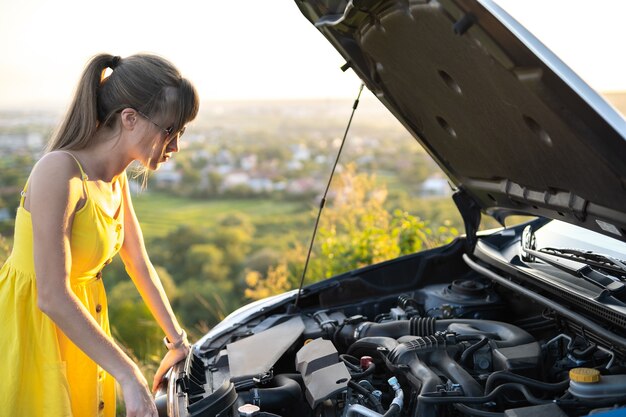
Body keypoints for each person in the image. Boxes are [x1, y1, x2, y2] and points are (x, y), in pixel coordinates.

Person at [0, 53, 199, 417]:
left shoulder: (113, 179)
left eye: (181, 132)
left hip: (81, 331)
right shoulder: (59, 172)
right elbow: (51, 295)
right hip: (33, 336)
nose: (175, 146)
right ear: (129, 118)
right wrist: (130, 374)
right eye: (170, 130)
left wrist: (178, 341)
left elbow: (138, 261)